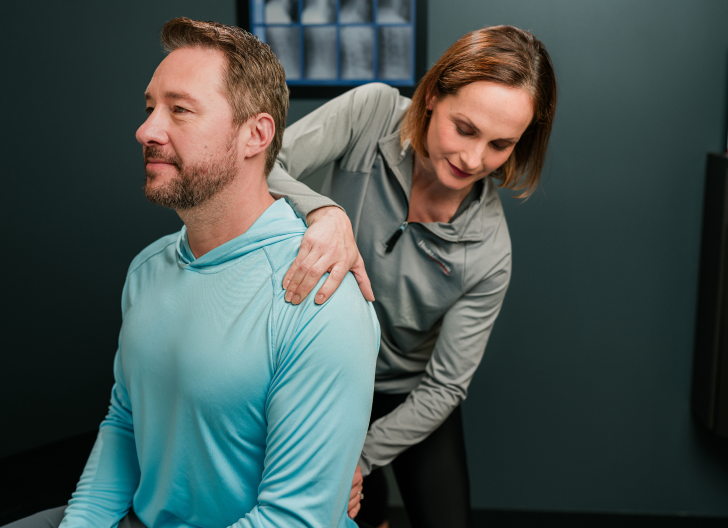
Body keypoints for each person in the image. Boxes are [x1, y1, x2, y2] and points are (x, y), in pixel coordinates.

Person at [5, 18, 380, 528]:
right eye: (149, 108)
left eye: (179, 110)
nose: (146, 130)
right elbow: (125, 425)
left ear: (256, 134)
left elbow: (293, 520)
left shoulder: (320, 297)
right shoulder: (148, 269)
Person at [266, 25, 557, 528]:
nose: (473, 160)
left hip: (408, 391)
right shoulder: (372, 111)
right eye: (464, 128)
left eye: (500, 144)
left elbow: (445, 387)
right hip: (326, 370)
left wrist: (361, 456)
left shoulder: (490, 251)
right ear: (433, 95)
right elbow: (264, 165)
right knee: (354, 515)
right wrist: (326, 213)